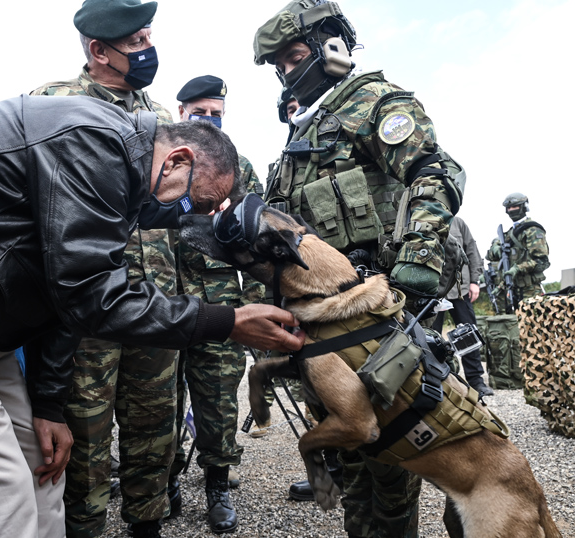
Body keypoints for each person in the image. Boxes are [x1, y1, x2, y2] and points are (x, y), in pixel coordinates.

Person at [0, 95, 304, 538]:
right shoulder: (94, 142)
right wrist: (226, 321)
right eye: (193, 203)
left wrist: (46, 406)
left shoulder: (121, 166)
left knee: (40, 470)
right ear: (176, 160)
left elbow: (60, 296)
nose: (188, 219)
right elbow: (91, 296)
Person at [253, 1, 464, 536]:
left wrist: (418, 258)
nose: (287, 71)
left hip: (382, 307)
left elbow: (433, 174)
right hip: (326, 317)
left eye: (293, 56)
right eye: (278, 65)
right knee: (348, 447)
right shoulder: (302, 134)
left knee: (392, 451)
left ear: (331, 47)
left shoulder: (372, 102)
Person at [29, 2, 178, 536]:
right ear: (99, 50)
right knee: (85, 435)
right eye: (137, 41)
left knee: (153, 425)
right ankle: (84, 527)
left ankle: (147, 524)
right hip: (85, 308)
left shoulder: (161, 116)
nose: (148, 50)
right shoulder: (52, 103)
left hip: (154, 301)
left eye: (148, 37)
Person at [168, 74, 265, 535]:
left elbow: (262, 239)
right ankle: (161, 479)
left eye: (216, 114)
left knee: (218, 401)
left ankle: (217, 484)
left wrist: (254, 305)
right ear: (180, 110)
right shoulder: (161, 160)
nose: (207, 120)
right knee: (158, 401)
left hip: (221, 300)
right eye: (199, 112)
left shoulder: (237, 166)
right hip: (161, 297)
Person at [430, 216, 493, 397]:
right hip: (433, 290)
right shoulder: (419, 217)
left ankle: (476, 381)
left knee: (469, 336)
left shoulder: (457, 222)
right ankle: (439, 381)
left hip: (460, 288)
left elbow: (472, 250)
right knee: (431, 337)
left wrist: (474, 280)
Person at [486, 192, 550, 312]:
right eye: (509, 208)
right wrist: (496, 247)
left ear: (524, 207)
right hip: (510, 288)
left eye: (515, 207)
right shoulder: (510, 233)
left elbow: (541, 261)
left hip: (529, 290)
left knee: (531, 325)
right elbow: (489, 256)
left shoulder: (533, 230)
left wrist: (518, 268)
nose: (511, 210)